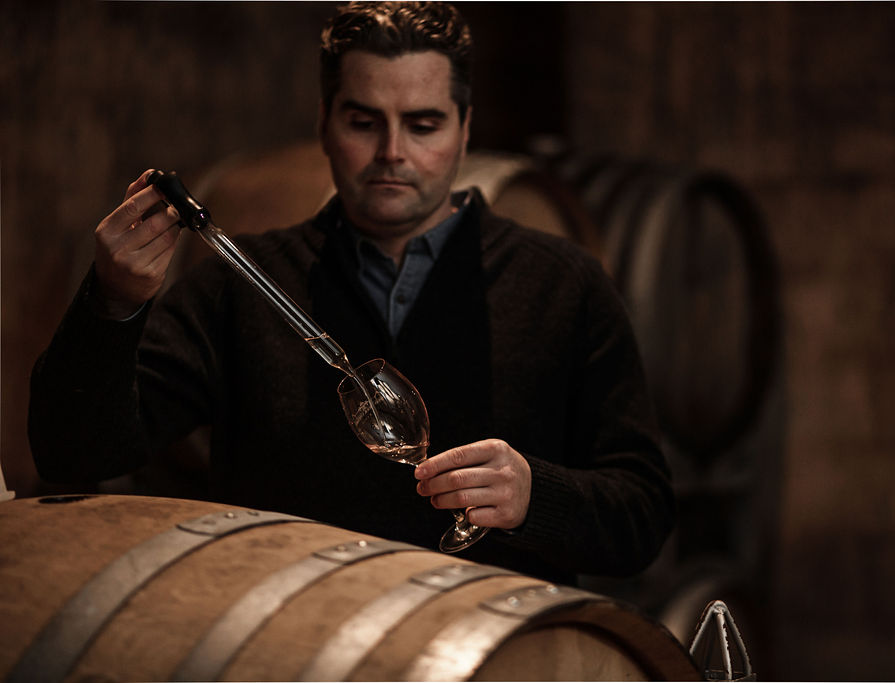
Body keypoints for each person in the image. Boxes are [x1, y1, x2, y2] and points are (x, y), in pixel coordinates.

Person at [28, 1, 672, 585]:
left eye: (423, 125)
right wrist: (113, 303)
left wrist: (538, 498)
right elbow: (74, 451)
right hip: (292, 648)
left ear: (466, 128)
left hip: (489, 656)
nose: (392, 152)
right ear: (324, 122)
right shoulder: (241, 283)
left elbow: (644, 514)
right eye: (365, 121)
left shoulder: (564, 284)